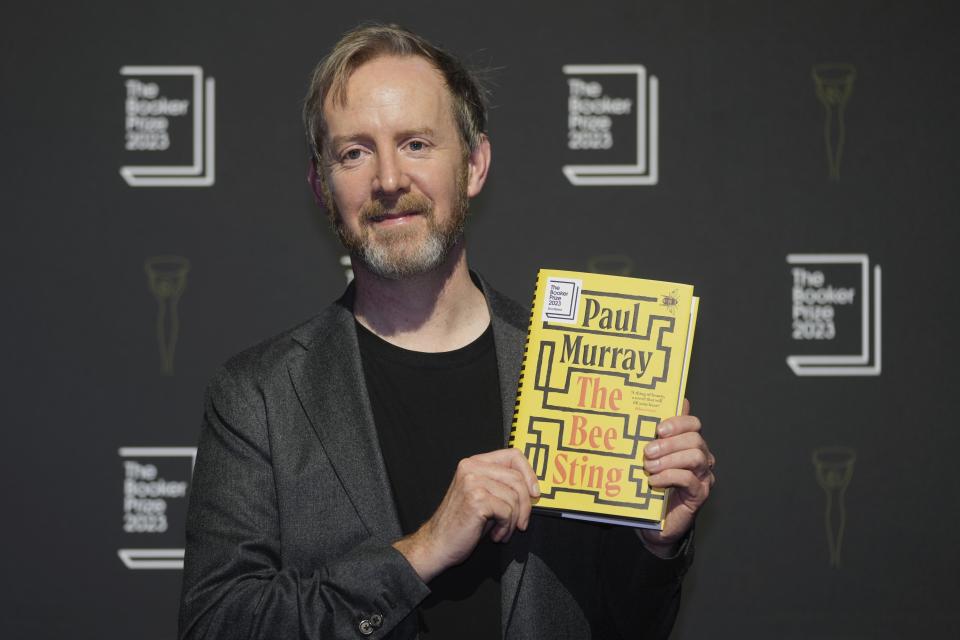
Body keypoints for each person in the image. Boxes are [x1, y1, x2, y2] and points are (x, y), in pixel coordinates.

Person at [178, 23, 716, 640]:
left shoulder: (572, 368)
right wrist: (421, 552)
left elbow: (626, 628)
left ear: (475, 164)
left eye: (415, 144)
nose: (387, 179)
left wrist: (656, 546)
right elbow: (216, 627)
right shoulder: (259, 395)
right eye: (354, 152)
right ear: (322, 187)